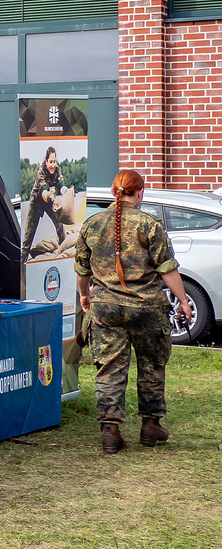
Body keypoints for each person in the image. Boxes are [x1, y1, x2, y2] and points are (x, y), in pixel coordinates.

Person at [76, 169, 192, 453]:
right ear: (140, 192)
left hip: (105, 308)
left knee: (109, 368)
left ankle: (110, 432)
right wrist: (184, 302)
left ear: (115, 190)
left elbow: (82, 270)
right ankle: (151, 427)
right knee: (152, 365)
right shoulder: (150, 225)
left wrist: (84, 296)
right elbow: (168, 269)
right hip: (147, 308)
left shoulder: (91, 224)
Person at [23, 146, 65, 257]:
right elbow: (44, 193)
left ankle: (63, 254)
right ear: (46, 161)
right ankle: (22, 263)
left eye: (54, 162)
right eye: (50, 162)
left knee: (60, 226)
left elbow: (61, 185)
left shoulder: (56, 170)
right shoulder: (41, 173)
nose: (52, 165)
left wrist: (67, 192)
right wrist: (50, 196)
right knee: (28, 238)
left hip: (48, 202)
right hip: (37, 203)